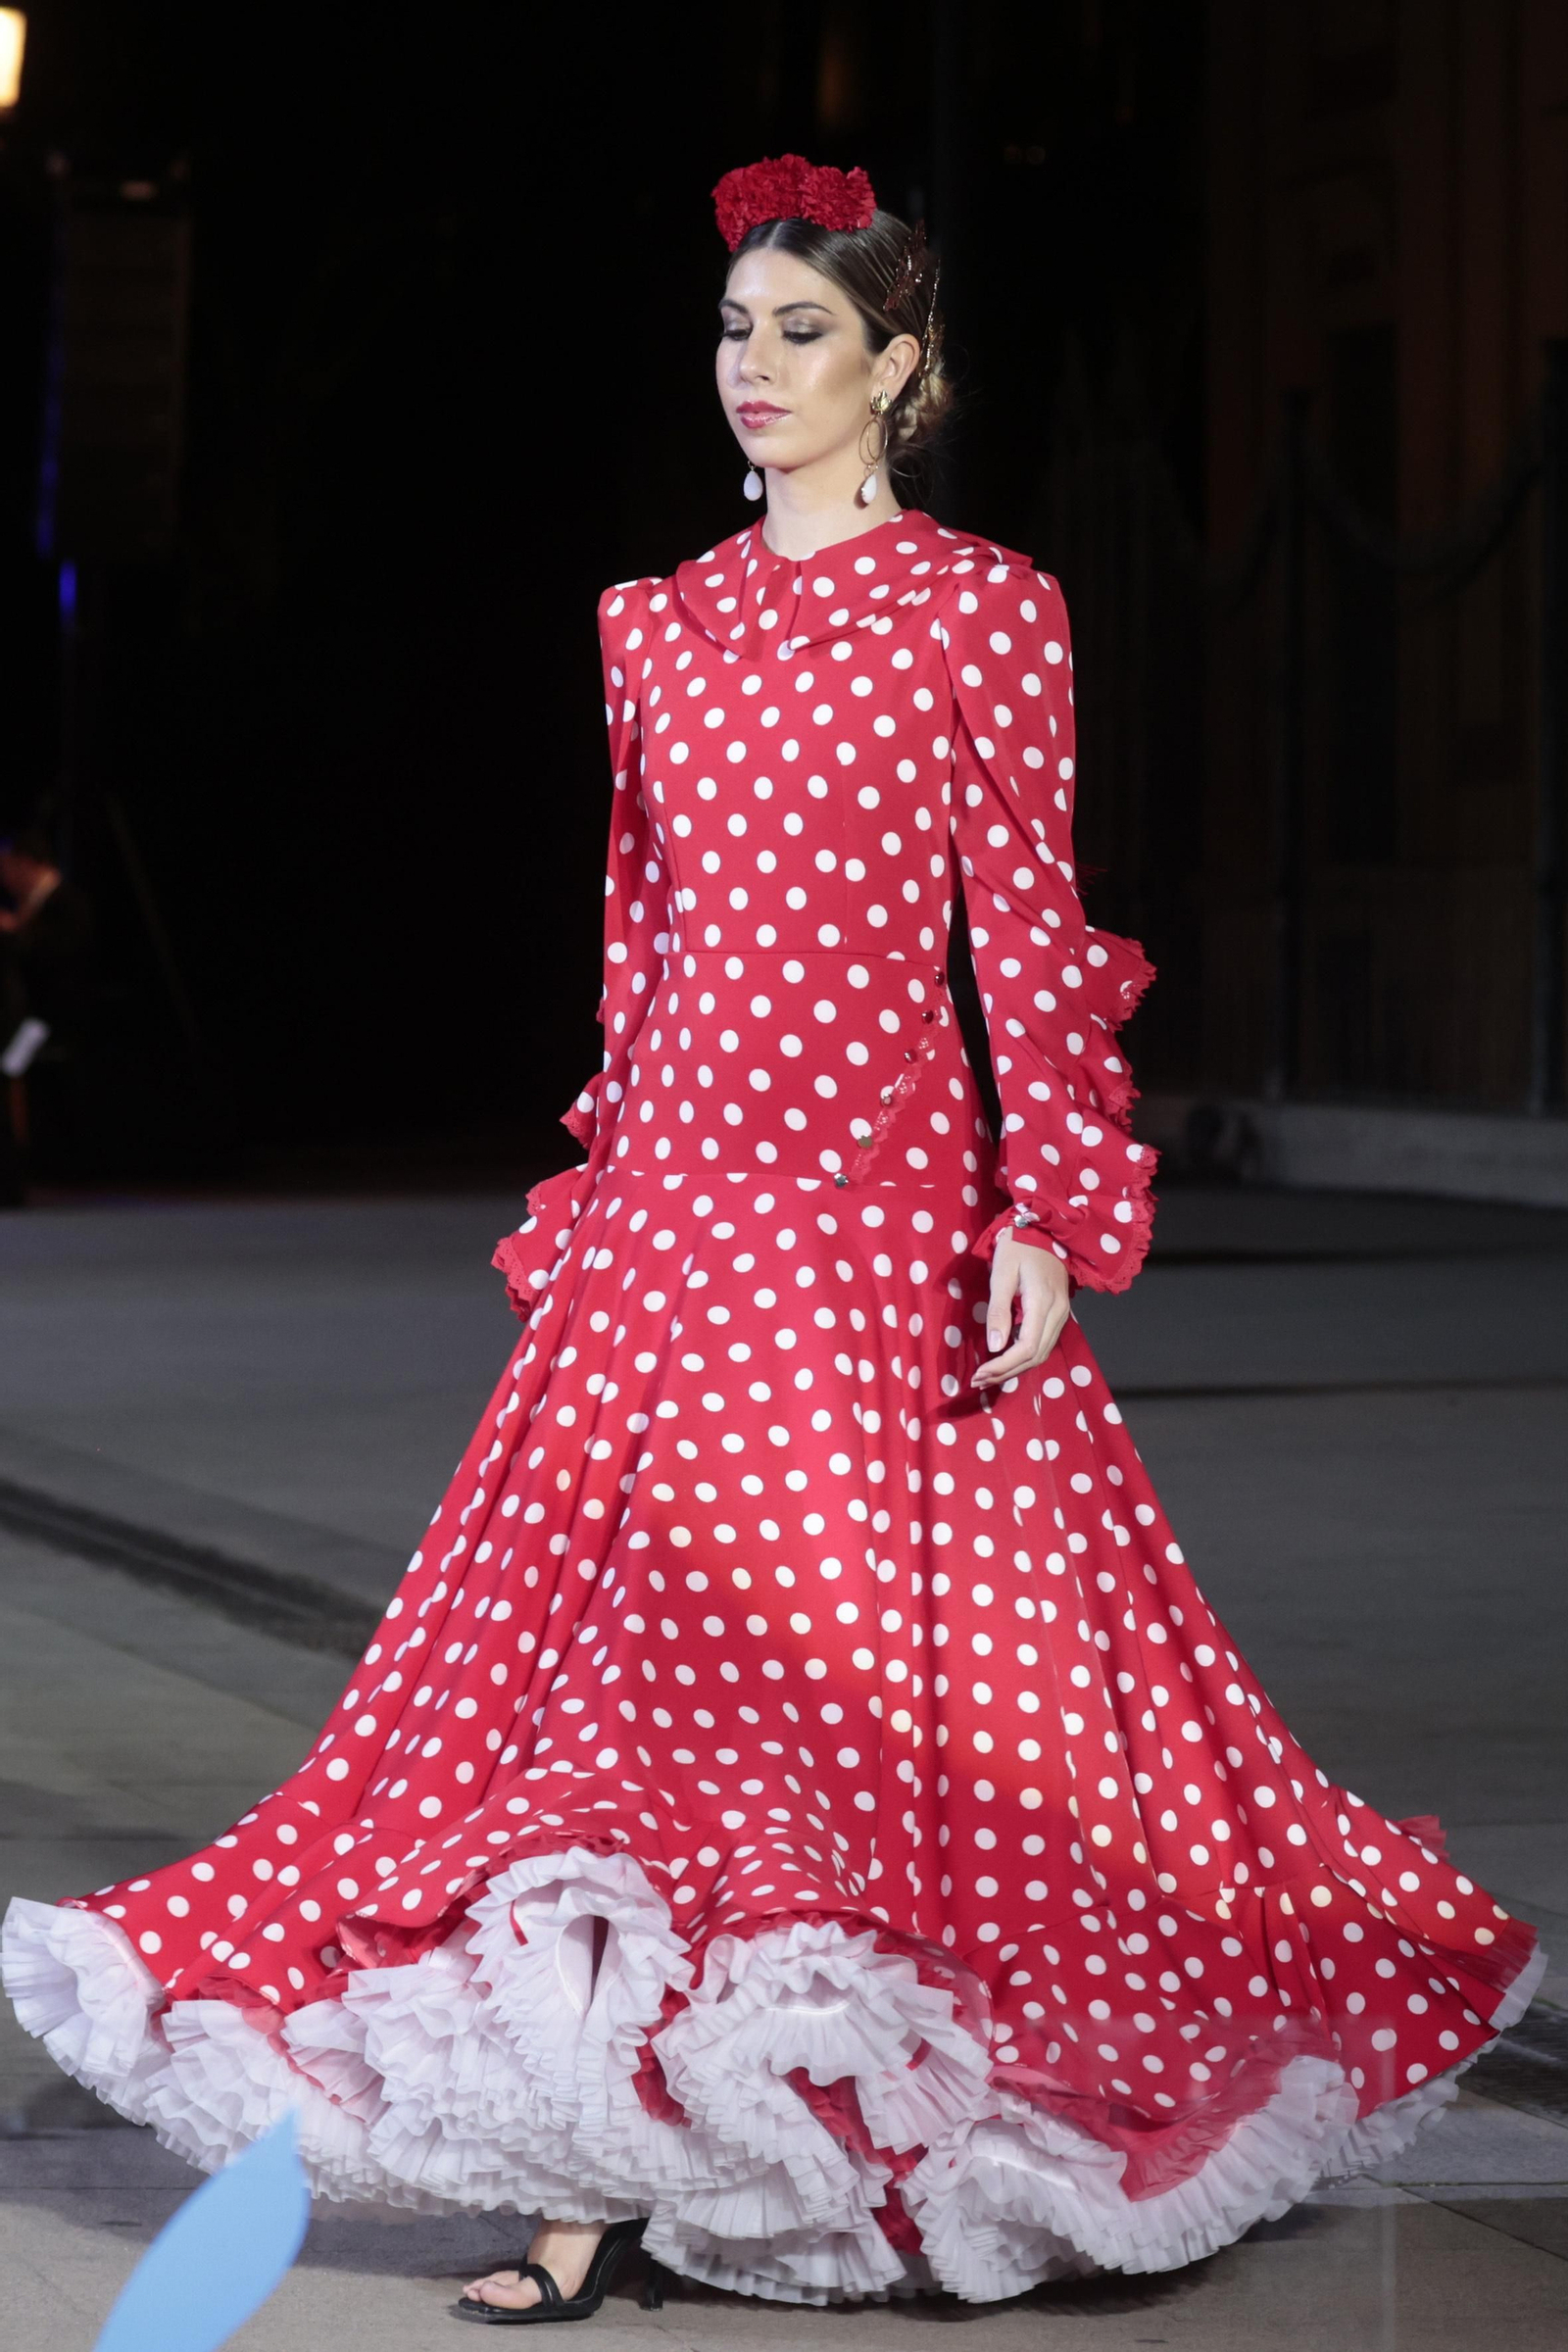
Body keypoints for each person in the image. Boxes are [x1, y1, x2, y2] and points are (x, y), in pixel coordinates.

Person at [1, 157, 1540, 2323]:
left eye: (800, 331)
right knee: (608, 1690)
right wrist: (604, 1188)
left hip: (878, 1221)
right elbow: (640, 946)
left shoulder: (978, 610)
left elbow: (1019, 928)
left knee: (852, 1700)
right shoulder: (652, 624)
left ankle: (813, 2149)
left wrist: (1045, 1206)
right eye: (733, 330)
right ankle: (588, 2175)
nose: (753, 367)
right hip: (675, 1224)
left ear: (899, 369)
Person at [0, 825, 95, 1200]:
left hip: (46, 1021)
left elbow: (60, 965)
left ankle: (17, 1163)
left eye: (6, 868)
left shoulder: (66, 903)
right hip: (26, 1017)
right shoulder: (27, 907)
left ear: (25, 864)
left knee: (8, 1066)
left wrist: (12, 936)